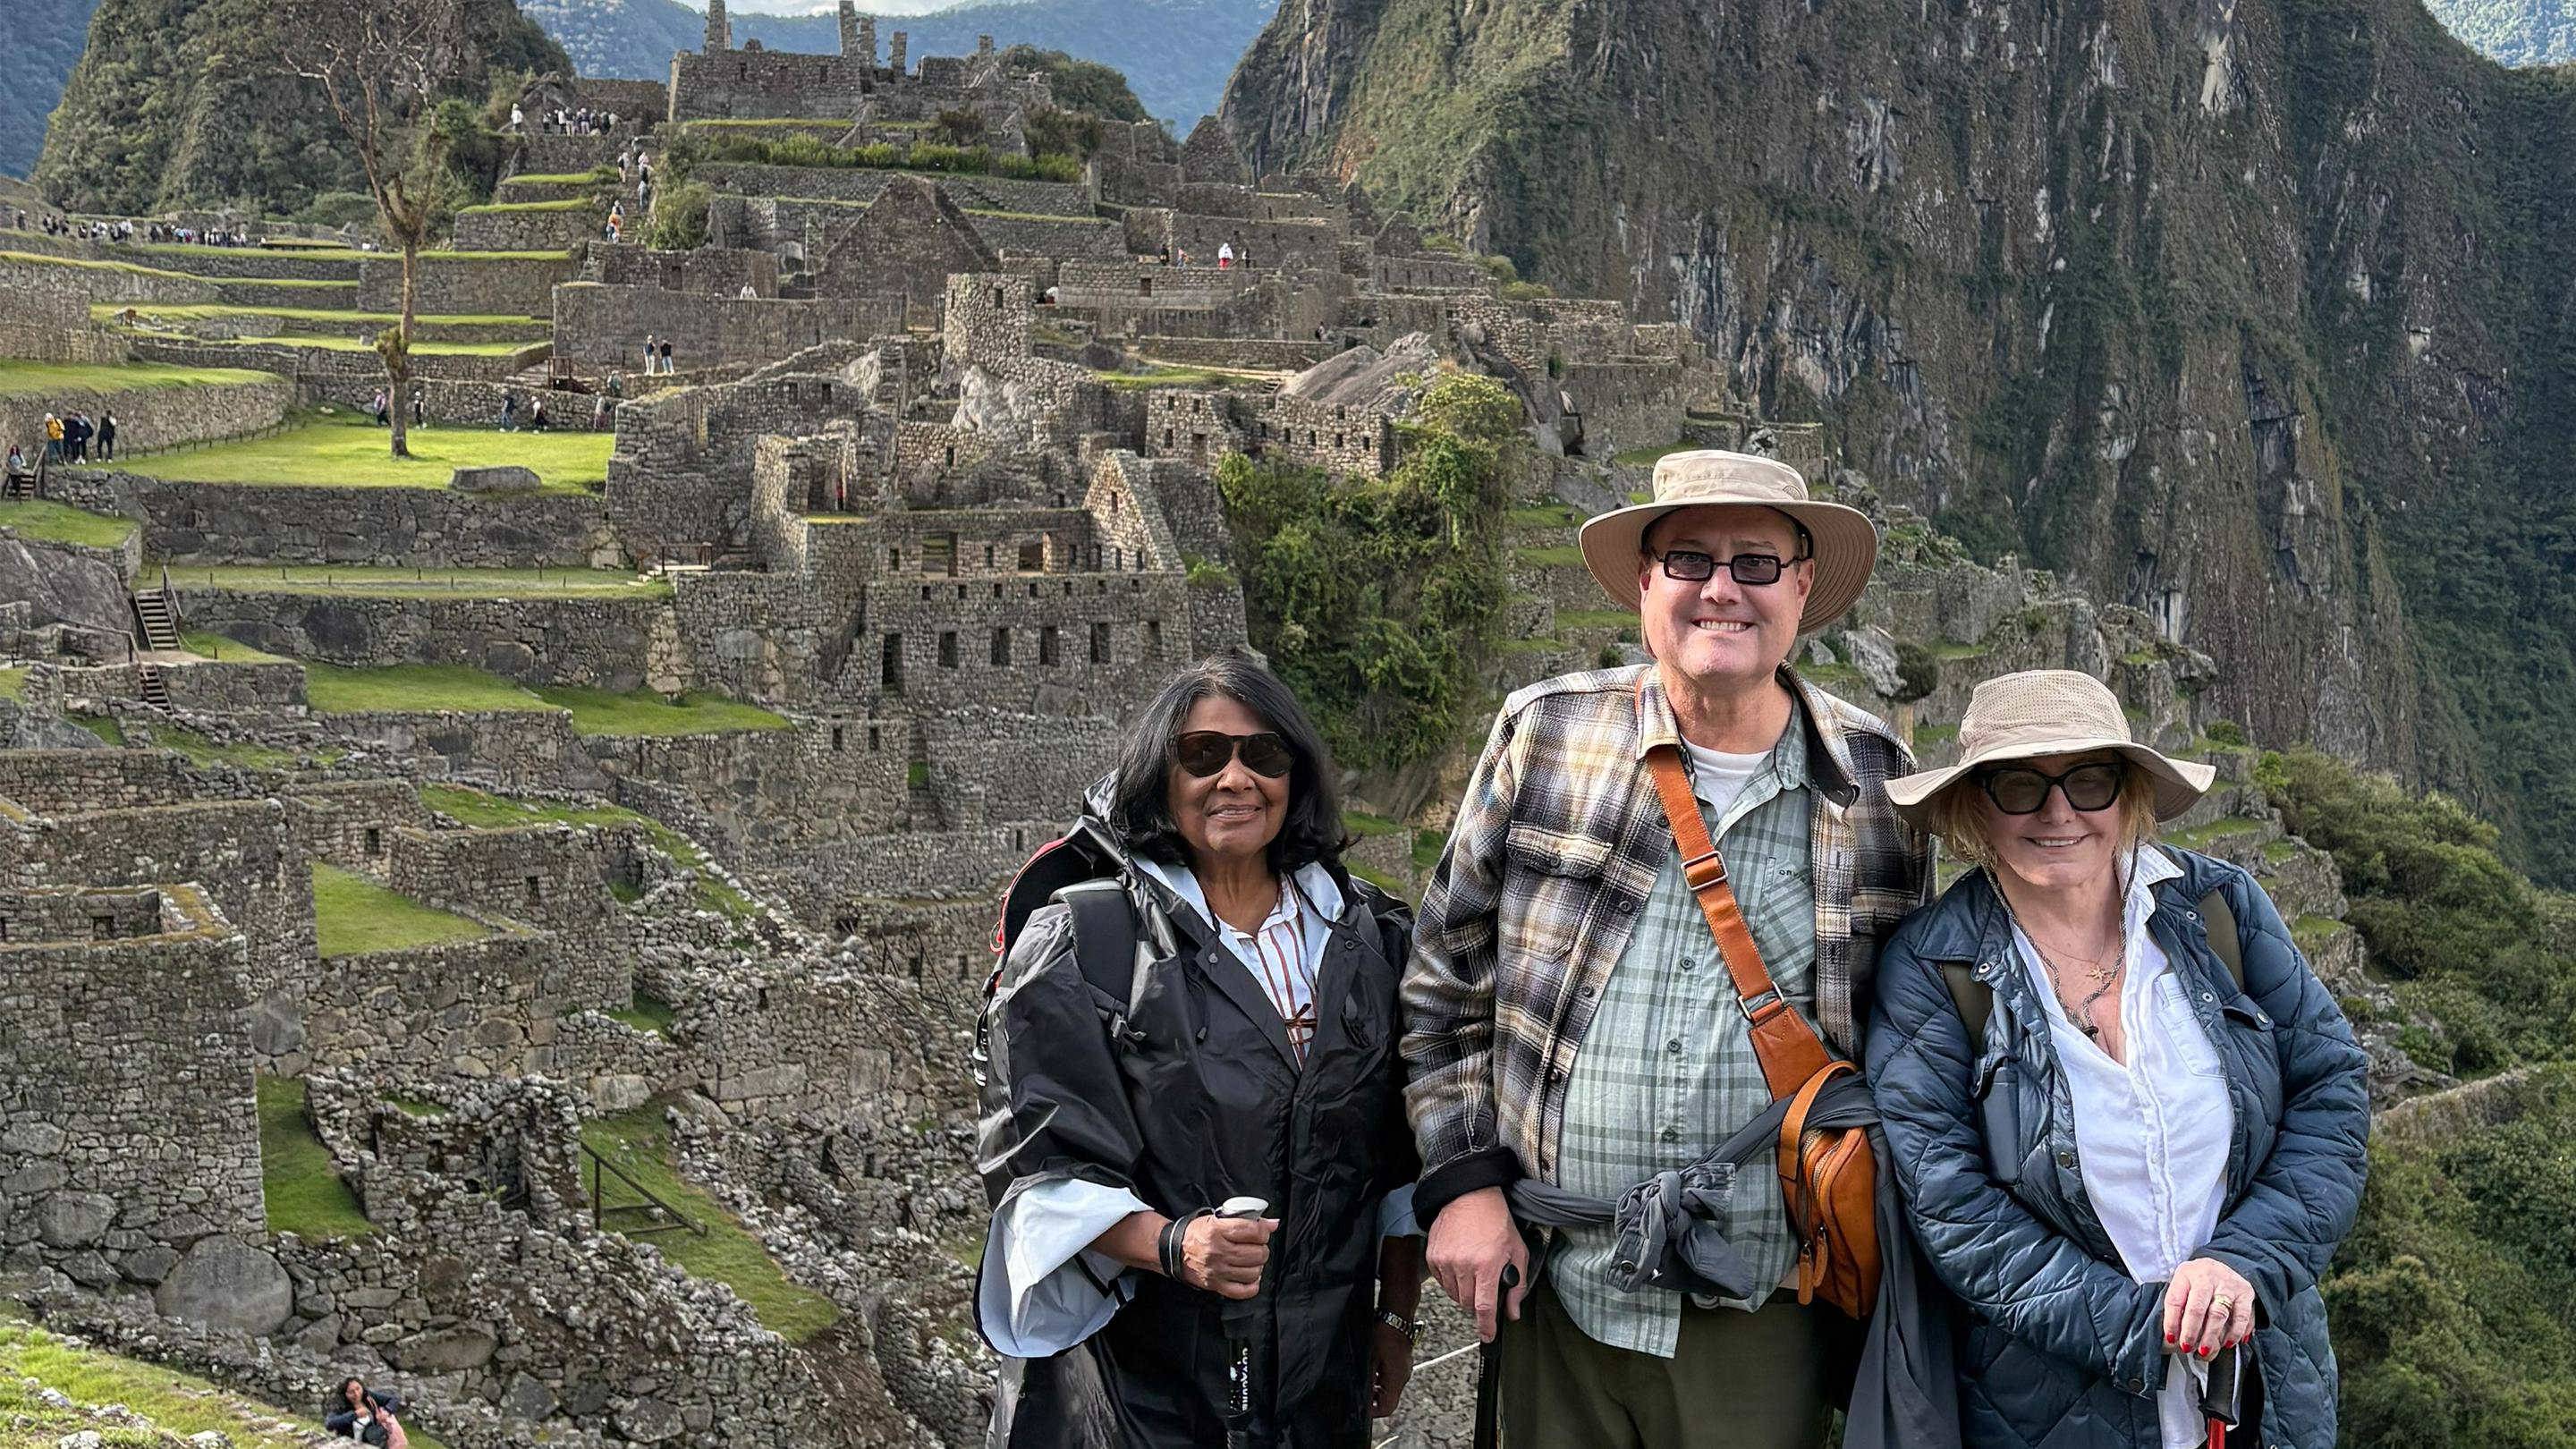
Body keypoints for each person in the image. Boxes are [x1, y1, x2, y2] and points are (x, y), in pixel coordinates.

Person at [1404, 450, 1928, 1448]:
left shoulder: (1874, 780)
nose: (1722, 589)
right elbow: (1445, 981)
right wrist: (1463, 1184)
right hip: (1556, 1287)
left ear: (1803, 586)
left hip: (1761, 1307)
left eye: (1756, 563)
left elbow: (1904, 1037)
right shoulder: (1548, 735)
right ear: (1646, 583)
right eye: (1689, 559)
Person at [1865, 670, 2369, 1448]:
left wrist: (2244, 1265)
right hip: (2050, 1410)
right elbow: (1951, 1207)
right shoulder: (1936, 971)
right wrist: (2149, 1325)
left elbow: (2331, 1087)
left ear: (2127, 795)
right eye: (2019, 786)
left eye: (2089, 781)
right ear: (1976, 807)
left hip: (2265, 1389)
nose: (2059, 811)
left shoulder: (2217, 910)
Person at [977, 656, 1426, 1447]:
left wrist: (1394, 1315)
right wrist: (1177, 1245)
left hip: (1320, 1389)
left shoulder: (1370, 940)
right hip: (1138, 1393)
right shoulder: (1085, 945)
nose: (1235, 779)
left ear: (1297, 775)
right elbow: (1042, 1174)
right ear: (1160, 773)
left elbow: (1397, 1164)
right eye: (1203, 755)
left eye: (1264, 755)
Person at [323, 1377, 409, 1446]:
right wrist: (355, 1414)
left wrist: (386, 1412)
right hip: (351, 1444)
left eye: (358, 1389)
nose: (357, 1394)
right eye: (351, 1392)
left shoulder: (368, 1397)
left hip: (374, 1442)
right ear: (345, 1394)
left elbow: (393, 1399)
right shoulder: (341, 1406)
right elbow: (329, 1424)